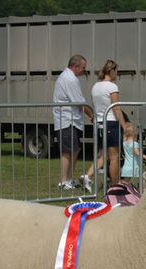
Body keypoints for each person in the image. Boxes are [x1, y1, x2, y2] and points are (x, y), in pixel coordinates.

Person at [79, 60, 127, 191]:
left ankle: (87, 176)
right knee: (114, 157)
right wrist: (124, 126)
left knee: (103, 156)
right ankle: (115, 186)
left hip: (99, 123)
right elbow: (116, 108)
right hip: (111, 123)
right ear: (111, 71)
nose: (116, 74)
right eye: (116, 71)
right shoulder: (112, 87)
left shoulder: (95, 86)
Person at [53, 55, 94, 190]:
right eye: (83, 68)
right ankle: (64, 181)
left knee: (75, 149)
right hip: (66, 120)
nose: (84, 71)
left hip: (72, 120)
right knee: (67, 151)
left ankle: (69, 179)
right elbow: (79, 101)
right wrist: (91, 114)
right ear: (75, 67)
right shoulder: (70, 79)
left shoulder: (68, 77)